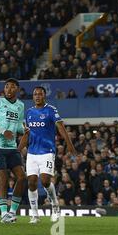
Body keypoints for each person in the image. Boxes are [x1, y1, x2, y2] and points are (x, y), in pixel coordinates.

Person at [18, 86, 77, 224]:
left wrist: (69, 144)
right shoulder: (29, 112)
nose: (37, 96)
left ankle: (55, 207)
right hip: (32, 153)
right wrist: (18, 149)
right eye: (35, 94)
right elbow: (27, 134)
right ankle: (34, 215)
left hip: (47, 152)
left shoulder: (51, 110)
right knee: (31, 183)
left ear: (44, 96)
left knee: (45, 181)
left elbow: (61, 127)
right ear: (33, 97)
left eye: (40, 94)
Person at [0, 78, 26, 224]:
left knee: (22, 177)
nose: (9, 89)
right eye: (7, 87)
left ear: (17, 89)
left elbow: (19, 126)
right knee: (3, 178)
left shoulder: (20, 105)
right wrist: (3, 131)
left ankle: (12, 212)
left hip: (12, 147)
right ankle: (3, 214)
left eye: (12, 87)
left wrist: (26, 129)